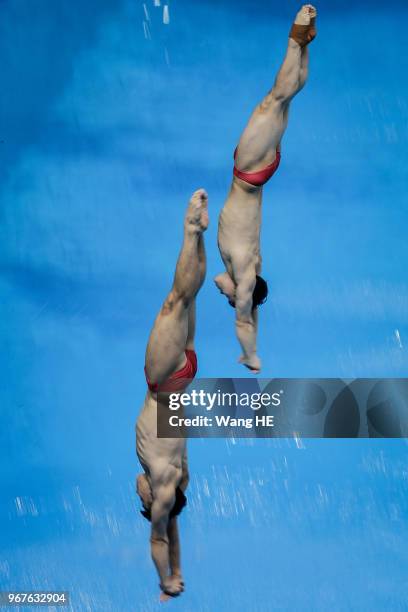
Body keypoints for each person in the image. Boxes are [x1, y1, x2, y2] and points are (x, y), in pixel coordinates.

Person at [215, 5, 317, 373]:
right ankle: (295, 41)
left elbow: (242, 303)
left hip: (258, 176)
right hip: (248, 172)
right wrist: (250, 354)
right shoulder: (244, 271)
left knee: (284, 100)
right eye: (232, 299)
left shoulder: (250, 265)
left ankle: (303, 46)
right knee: (274, 100)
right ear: (244, 293)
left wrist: (248, 311)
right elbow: (244, 319)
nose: (222, 292)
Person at [136, 189, 208, 599]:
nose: (137, 492)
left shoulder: (177, 479)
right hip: (165, 384)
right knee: (175, 301)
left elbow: (173, 530)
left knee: (185, 299)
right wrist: (166, 578)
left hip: (183, 378)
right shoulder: (163, 486)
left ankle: (196, 236)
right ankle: (189, 230)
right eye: (141, 502)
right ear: (153, 506)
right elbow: (160, 539)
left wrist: (178, 572)